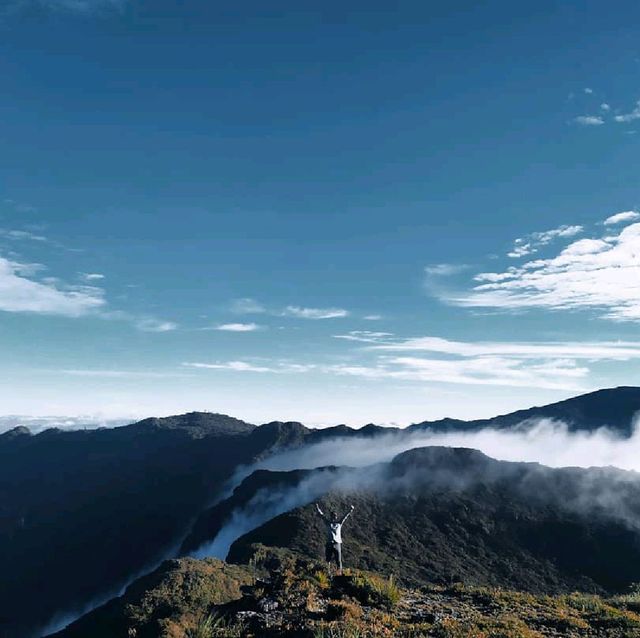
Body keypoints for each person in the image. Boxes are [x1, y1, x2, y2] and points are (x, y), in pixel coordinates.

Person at [315, 502, 354, 574]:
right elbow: (322, 515)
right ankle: (327, 572)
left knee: (338, 560)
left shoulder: (339, 523)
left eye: (335, 516)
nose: (334, 517)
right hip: (330, 543)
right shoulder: (328, 523)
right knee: (328, 559)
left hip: (337, 544)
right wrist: (317, 508)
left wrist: (350, 510)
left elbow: (345, 516)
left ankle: (339, 574)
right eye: (333, 516)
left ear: (336, 517)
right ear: (331, 516)